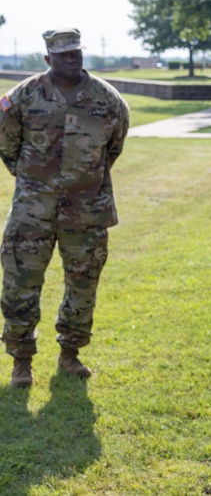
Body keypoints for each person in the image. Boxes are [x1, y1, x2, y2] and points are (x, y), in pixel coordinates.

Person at [0, 28, 129, 387]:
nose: (71, 59)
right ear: (48, 59)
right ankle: (21, 361)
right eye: (62, 55)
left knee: (83, 284)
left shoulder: (107, 99)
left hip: (87, 213)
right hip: (31, 212)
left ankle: (70, 354)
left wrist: (82, 180)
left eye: (76, 53)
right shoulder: (24, 96)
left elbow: (113, 148)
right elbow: (7, 145)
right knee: (19, 285)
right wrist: (35, 181)